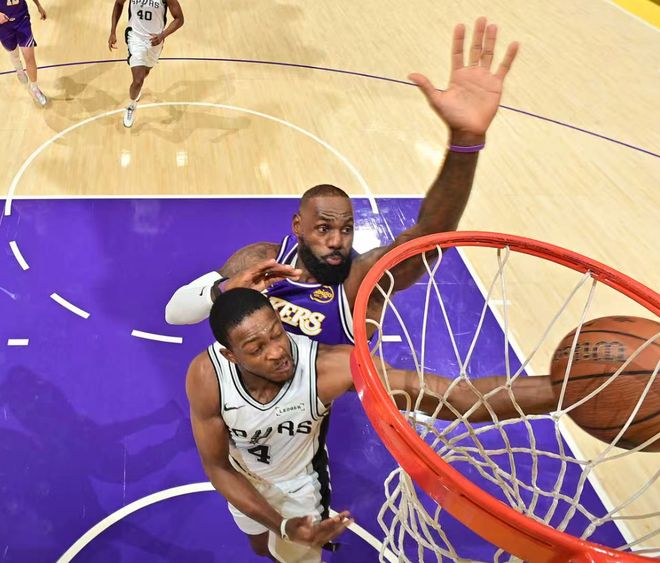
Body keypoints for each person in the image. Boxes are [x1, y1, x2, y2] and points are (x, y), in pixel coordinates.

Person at [166, 18, 519, 340]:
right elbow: (176, 313)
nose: (337, 241)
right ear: (298, 226)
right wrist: (223, 290)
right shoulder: (259, 260)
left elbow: (428, 234)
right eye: (324, 228)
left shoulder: (363, 280)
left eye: (346, 229)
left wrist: (465, 141)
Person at [187, 288, 555, 561]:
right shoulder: (207, 377)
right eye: (256, 348)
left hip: (299, 484)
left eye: (277, 333)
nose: (277, 351)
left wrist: (564, 391)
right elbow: (218, 467)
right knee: (261, 546)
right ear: (230, 355)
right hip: (243, 480)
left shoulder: (328, 367)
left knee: (296, 556)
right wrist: (278, 525)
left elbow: (457, 397)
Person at [108, 0, 184, 128]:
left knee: (146, 71)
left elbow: (179, 19)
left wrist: (162, 35)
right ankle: (131, 106)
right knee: (138, 81)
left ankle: (138, 87)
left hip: (155, 40)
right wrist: (113, 31)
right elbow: (119, 3)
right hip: (135, 37)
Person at [0, 0, 47, 106]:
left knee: (30, 57)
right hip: (4, 26)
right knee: (13, 52)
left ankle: (34, 88)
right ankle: (19, 69)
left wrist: (39, 6)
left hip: (22, 20)